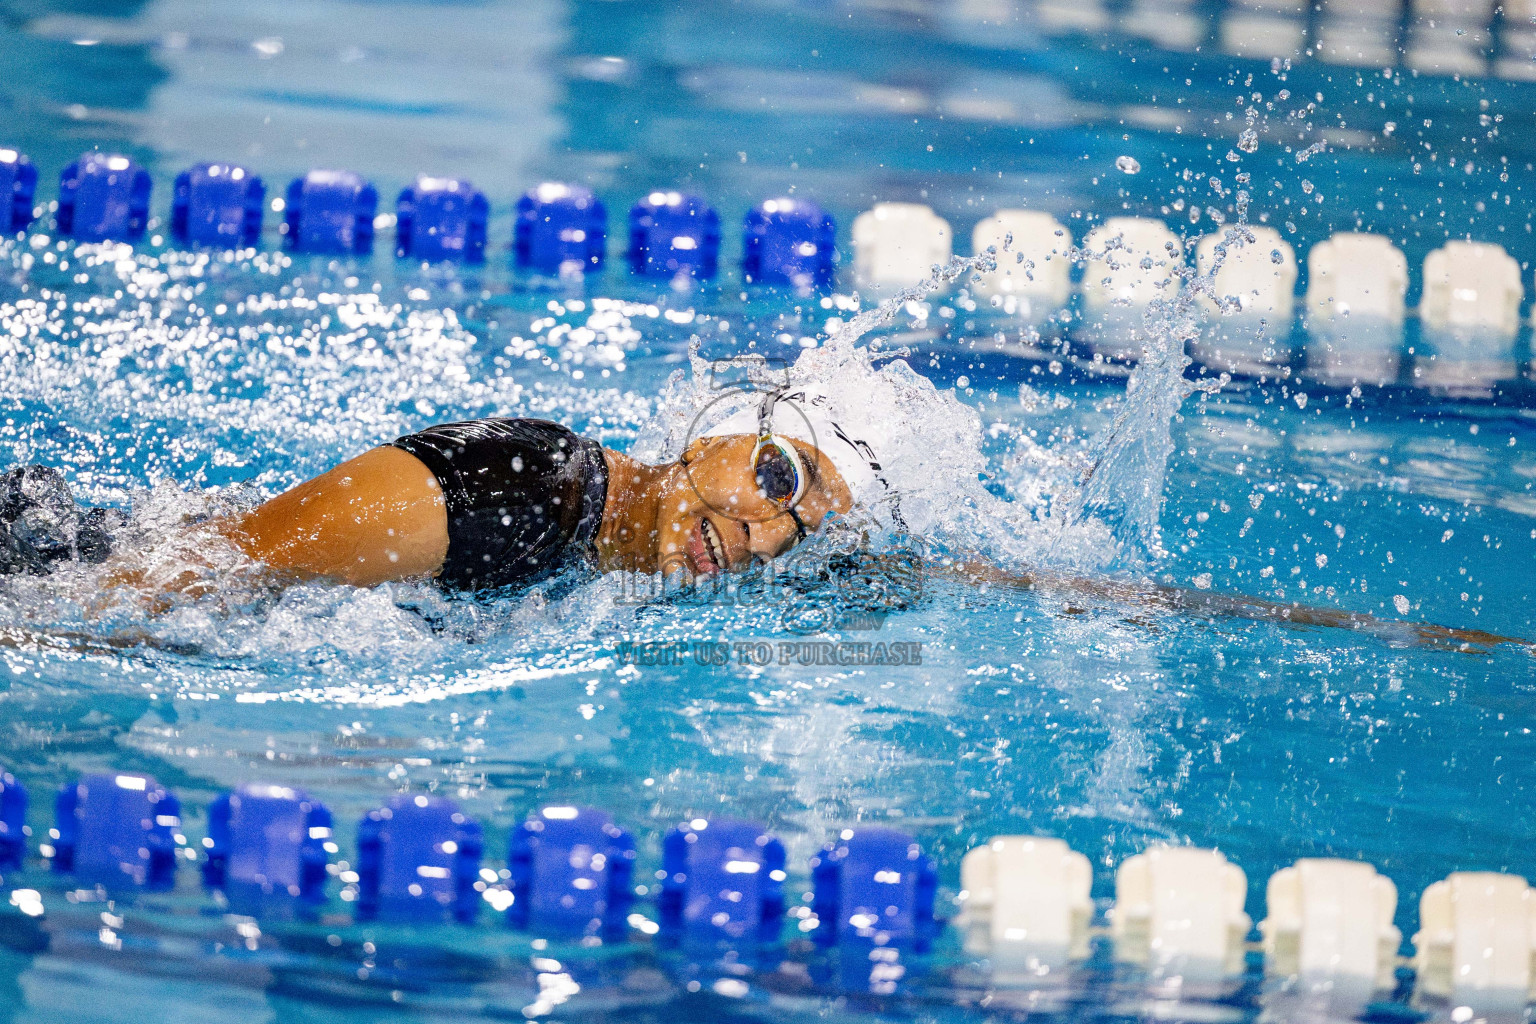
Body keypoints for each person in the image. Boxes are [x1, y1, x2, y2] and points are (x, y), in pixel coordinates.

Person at [0, 386, 1527, 655]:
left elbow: (959, 568)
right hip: (65, 560)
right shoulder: (518, 492)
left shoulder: (689, 555)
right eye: (765, 487)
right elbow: (186, 577)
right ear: (715, 435)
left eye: (794, 528)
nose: (751, 532)